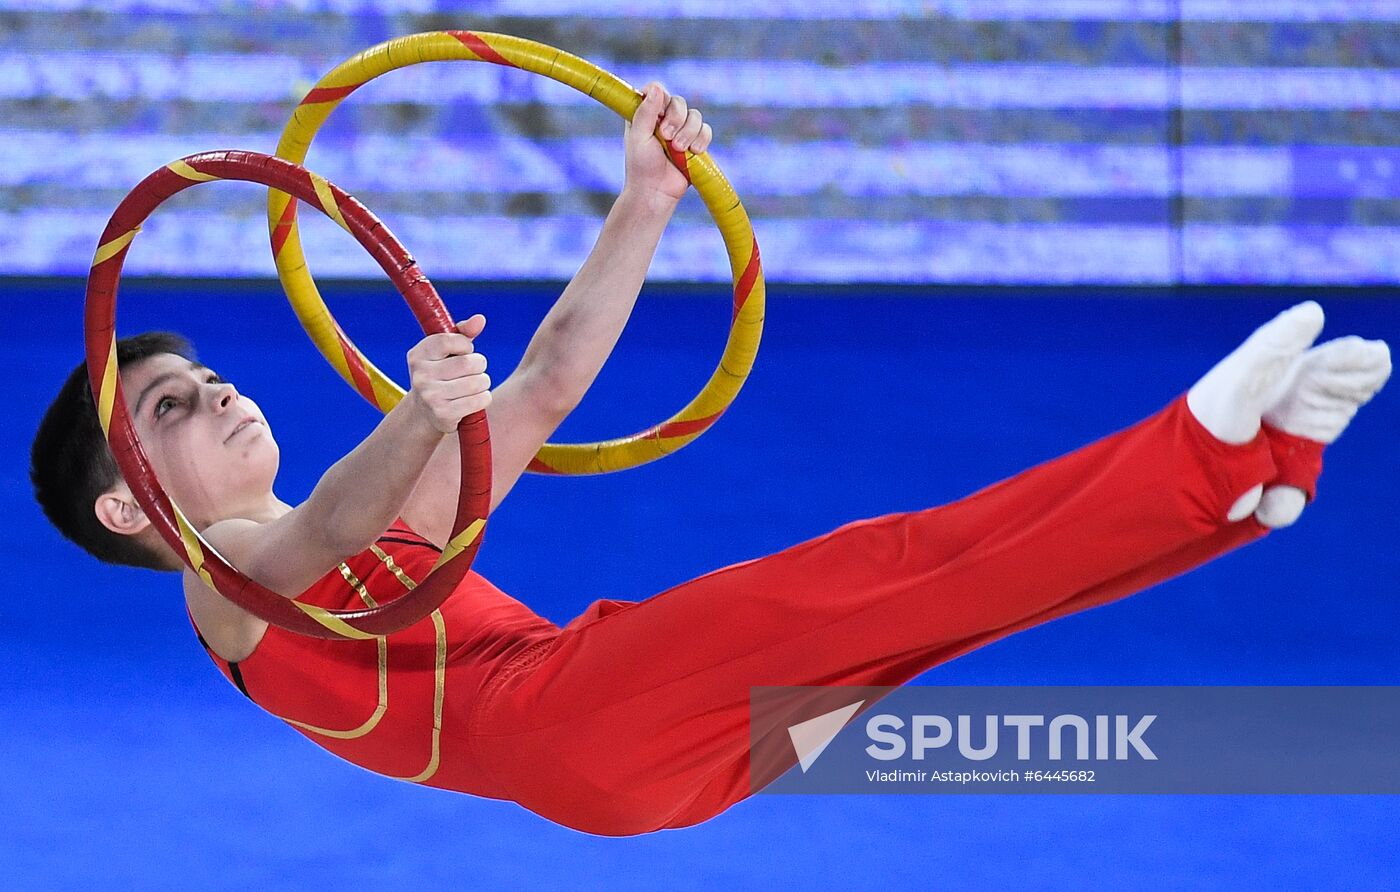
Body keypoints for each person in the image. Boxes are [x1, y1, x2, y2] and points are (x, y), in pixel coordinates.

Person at [31, 83, 1392, 837]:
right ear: (125, 504)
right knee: (887, 571)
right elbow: (313, 535)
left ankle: (1243, 481)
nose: (213, 397)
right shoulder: (220, 590)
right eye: (166, 410)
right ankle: (1192, 448)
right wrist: (422, 410)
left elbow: (554, 374)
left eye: (207, 378)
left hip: (644, 769)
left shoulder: (396, 514)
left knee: (945, 616)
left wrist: (643, 204)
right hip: (581, 716)